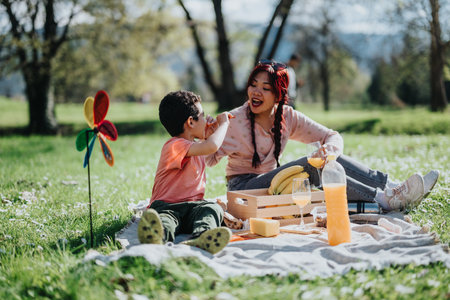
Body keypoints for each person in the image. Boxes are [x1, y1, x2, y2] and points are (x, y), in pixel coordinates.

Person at [205, 60, 440, 212]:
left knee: (325, 158)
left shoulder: (287, 116)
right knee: (311, 166)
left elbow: (332, 135)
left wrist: (330, 151)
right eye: (253, 85)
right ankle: (384, 199)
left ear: (279, 95)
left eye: (265, 88)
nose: (256, 92)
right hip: (244, 191)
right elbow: (206, 159)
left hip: (273, 186)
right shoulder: (233, 121)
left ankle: (393, 187)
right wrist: (203, 135)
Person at [138, 90, 232, 254]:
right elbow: (212, 146)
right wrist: (224, 124)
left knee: (212, 209)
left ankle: (204, 236)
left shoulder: (195, 146)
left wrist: (207, 134)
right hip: (167, 206)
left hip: (193, 207)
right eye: (202, 115)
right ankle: (156, 236)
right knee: (165, 221)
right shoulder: (174, 145)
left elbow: (209, 146)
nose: (206, 119)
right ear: (190, 122)